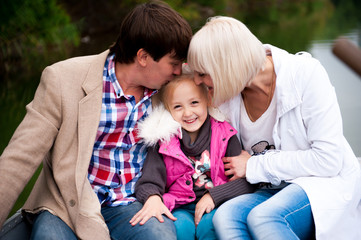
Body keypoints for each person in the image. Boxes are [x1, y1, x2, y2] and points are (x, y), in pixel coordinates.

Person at [0, 1, 192, 239]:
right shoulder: (63, 79)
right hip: (69, 204)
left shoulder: (171, 90)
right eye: (173, 64)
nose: (178, 72)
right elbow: (19, 158)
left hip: (132, 202)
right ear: (143, 57)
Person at [187, 16, 361, 240]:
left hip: (323, 182)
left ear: (226, 67)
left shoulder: (305, 74)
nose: (197, 81)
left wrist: (254, 164)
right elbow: (180, 96)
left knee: (265, 217)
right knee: (226, 216)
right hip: (272, 186)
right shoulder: (227, 94)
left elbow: (328, 160)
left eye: (202, 74)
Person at [129, 67, 254, 240]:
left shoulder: (226, 135)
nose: (188, 113)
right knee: (179, 230)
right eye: (178, 106)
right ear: (168, 109)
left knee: (211, 228)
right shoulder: (163, 142)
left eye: (194, 103)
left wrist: (215, 196)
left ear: (208, 100)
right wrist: (152, 198)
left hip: (217, 202)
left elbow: (245, 181)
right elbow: (150, 181)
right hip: (180, 207)